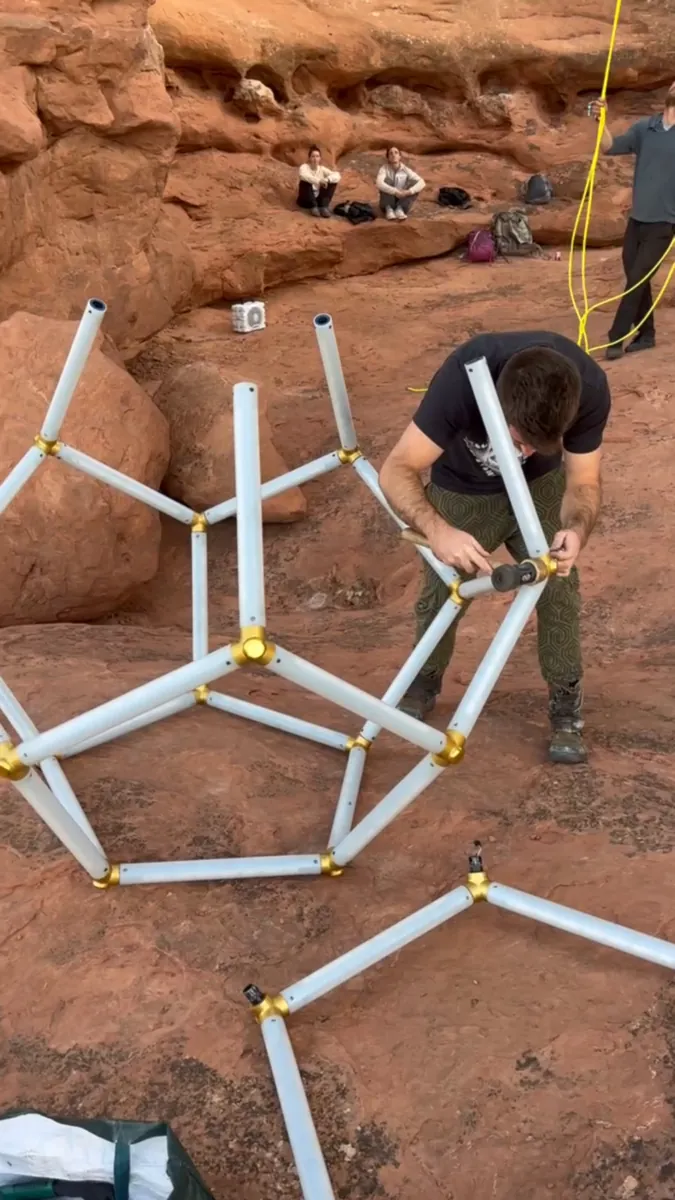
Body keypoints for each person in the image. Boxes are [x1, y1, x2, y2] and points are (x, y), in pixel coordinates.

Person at [379, 331, 611, 765]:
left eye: (536, 444)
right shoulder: (463, 379)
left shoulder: (588, 387)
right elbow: (396, 469)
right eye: (519, 439)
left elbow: (583, 482)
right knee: (443, 589)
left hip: (540, 487)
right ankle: (423, 681)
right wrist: (438, 531)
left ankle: (566, 706)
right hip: (464, 487)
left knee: (558, 584)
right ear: (499, 406)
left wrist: (577, 530)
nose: (524, 451)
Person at [591, 85, 675, 359]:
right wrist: (600, 121)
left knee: (637, 280)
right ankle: (647, 334)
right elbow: (609, 147)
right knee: (637, 277)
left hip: (665, 224)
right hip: (637, 222)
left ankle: (616, 337)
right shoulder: (645, 128)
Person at [376, 147, 425, 220]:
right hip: (388, 199)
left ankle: (400, 209)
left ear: (399, 156)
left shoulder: (405, 169)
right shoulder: (384, 169)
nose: (393, 155)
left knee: (415, 187)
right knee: (385, 183)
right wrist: (395, 191)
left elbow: (422, 182)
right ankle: (389, 210)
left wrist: (408, 192)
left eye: (396, 153)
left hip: (402, 198)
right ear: (388, 157)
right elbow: (379, 183)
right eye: (391, 153)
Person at [297, 146, 341, 219]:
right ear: (309, 158)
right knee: (305, 182)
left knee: (332, 182)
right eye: (313, 156)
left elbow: (337, 175)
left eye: (317, 156)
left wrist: (327, 180)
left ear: (320, 158)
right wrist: (319, 181)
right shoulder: (304, 167)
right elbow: (303, 175)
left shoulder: (322, 169)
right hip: (306, 200)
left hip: (317, 199)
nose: (315, 159)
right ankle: (313, 207)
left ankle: (323, 206)